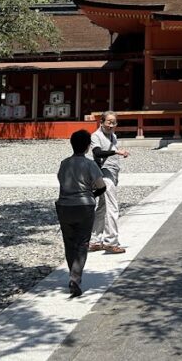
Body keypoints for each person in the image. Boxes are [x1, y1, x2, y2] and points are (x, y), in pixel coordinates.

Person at [56, 129, 106, 297]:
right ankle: (75, 278)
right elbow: (101, 186)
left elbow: (61, 181)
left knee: (69, 242)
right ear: (87, 147)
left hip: (64, 205)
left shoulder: (64, 163)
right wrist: (91, 195)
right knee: (82, 242)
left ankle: (73, 274)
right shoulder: (90, 164)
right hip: (84, 206)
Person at [89, 112, 129, 254]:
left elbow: (111, 152)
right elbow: (98, 153)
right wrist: (116, 152)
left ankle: (94, 240)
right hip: (103, 174)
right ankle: (111, 242)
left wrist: (118, 153)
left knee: (102, 207)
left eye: (114, 122)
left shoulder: (113, 136)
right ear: (102, 121)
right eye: (109, 122)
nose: (111, 125)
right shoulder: (96, 136)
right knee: (112, 206)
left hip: (112, 173)